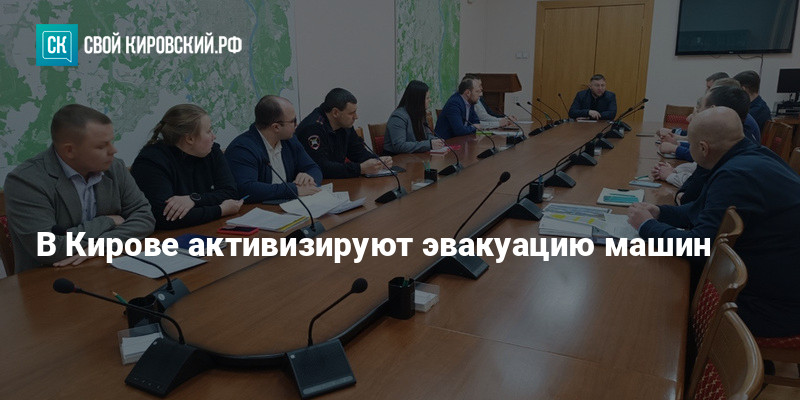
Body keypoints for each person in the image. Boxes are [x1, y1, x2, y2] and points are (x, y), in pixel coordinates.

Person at [628, 106, 800, 338]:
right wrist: (660, 212)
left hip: (774, 307)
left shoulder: (735, 175)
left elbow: (699, 247)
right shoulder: (749, 156)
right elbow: (701, 209)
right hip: (772, 279)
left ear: (703, 148)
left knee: (659, 303)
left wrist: (647, 226)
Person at [4, 104, 154, 273]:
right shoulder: (26, 181)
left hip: (105, 267)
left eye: (111, 142)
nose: (113, 150)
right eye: (101, 146)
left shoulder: (114, 167)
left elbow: (145, 217)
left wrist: (102, 245)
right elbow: (48, 248)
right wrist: (107, 221)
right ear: (69, 150)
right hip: (50, 278)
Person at [130, 104, 242, 229]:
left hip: (204, 227)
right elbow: (166, 216)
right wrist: (220, 210)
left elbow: (231, 193)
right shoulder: (151, 162)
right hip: (167, 236)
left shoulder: (212, 151)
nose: (213, 136)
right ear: (189, 139)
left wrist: (193, 200)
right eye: (208, 131)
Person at [226, 96, 322, 202]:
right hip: (259, 208)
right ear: (276, 127)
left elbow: (313, 168)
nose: (297, 125)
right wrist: (294, 190)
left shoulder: (290, 140)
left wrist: (309, 178)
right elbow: (246, 189)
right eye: (293, 121)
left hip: (289, 204)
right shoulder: (242, 149)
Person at [296, 88, 391, 178]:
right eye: (351, 113)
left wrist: (378, 161)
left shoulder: (344, 124)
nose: (356, 117)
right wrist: (359, 169)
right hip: (315, 183)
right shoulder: (313, 129)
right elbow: (321, 167)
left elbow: (357, 152)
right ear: (335, 113)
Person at [383, 80, 445, 155]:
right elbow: (400, 146)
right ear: (418, 100)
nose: (430, 100)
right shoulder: (398, 117)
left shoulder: (420, 113)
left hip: (414, 156)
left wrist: (436, 141)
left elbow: (427, 134)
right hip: (397, 158)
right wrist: (429, 144)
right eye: (427, 98)